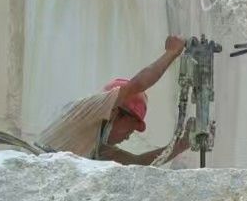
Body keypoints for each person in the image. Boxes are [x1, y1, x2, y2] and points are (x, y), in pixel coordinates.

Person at [39, 37, 189, 164]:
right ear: (115, 112)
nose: (128, 137)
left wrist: (182, 144)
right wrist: (171, 53)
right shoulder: (92, 108)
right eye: (130, 129)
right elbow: (137, 85)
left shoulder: (96, 142)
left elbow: (137, 163)